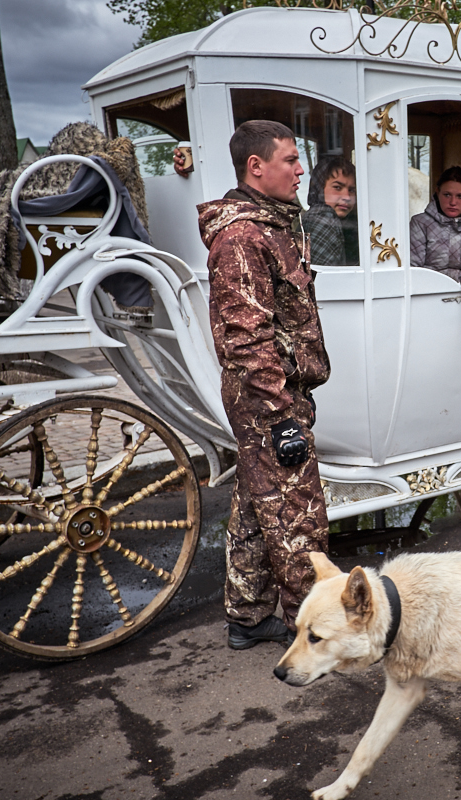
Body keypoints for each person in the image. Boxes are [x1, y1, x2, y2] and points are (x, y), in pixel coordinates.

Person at [197, 120, 331, 650]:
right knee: (297, 513)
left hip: (277, 390)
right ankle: (316, 629)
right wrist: (281, 417)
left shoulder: (273, 225)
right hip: (265, 396)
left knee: (259, 503)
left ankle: (248, 616)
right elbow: (245, 337)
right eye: (291, 160)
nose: (302, 171)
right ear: (257, 167)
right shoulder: (241, 237)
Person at [303, 155, 360, 266]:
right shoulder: (323, 218)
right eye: (337, 187)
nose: (347, 197)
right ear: (319, 188)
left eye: (352, 190)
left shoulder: (347, 224)